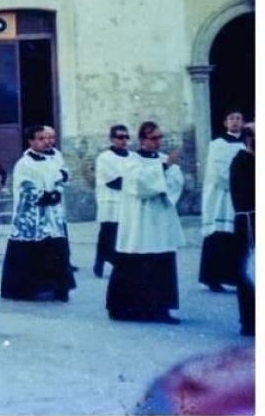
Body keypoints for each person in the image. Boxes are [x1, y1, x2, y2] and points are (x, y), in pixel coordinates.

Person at [106, 121, 184, 324]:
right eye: (154, 138)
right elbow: (137, 184)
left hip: (160, 216)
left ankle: (161, 309)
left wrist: (164, 179)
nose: (158, 142)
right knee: (137, 261)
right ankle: (129, 308)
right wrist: (163, 171)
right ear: (142, 140)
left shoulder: (165, 159)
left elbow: (176, 182)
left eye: (160, 137)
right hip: (139, 221)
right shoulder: (131, 161)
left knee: (161, 262)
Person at [1, 125, 76, 302]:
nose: (45, 142)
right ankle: (27, 290)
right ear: (31, 141)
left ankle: (58, 288)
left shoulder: (52, 159)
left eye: (46, 138)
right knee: (30, 252)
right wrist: (41, 196)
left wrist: (56, 192)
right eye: (40, 139)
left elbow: (60, 177)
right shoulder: (24, 163)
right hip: (31, 218)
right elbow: (24, 187)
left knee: (56, 247)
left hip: (51, 216)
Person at [199, 110, 246, 292]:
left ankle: (234, 276)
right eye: (231, 119)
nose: (235, 122)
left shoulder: (247, 143)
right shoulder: (218, 144)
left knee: (237, 236)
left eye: (238, 118)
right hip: (223, 196)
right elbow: (219, 171)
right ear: (225, 123)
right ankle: (212, 278)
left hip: (241, 196)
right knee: (219, 235)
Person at [93, 124, 131, 278]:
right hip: (110, 200)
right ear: (112, 139)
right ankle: (102, 259)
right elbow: (113, 181)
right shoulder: (105, 158)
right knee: (108, 232)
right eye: (120, 137)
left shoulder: (131, 157)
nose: (124, 141)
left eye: (126, 137)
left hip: (126, 200)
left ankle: (114, 258)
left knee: (123, 231)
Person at [230, 123, 255, 336]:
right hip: (249, 222)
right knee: (250, 271)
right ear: (248, 140)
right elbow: (244, 196)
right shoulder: (241, 162)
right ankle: (250, 321)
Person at [43, 125, 77, 272]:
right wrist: (58, 176)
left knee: (62, 231)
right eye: (47, 137)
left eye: (52, 137)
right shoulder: (35, 155)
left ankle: (65, 262)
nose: (50, 140)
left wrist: (61, 175)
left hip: (58, 198)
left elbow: (65, 171)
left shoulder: (57, 154)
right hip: (46, 199)